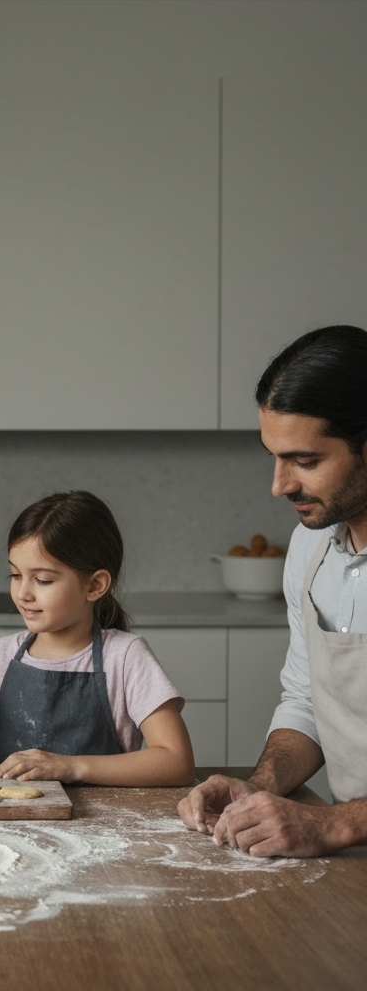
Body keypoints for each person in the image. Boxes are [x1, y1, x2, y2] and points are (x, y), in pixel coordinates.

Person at [179, 325, 367, 856]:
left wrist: (333, 824)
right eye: (274, 457)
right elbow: (309, 700)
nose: (280, 485)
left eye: (305, 462)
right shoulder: (310, 552)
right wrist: (260, 786)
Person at [0, 491, 195, 787]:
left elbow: (177, 762)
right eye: (15, 575)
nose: (23, 593)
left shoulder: (126, 657)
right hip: (13, 823)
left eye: (43, 580)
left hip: (103, 825)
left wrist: (68, 767)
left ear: (94, 585)